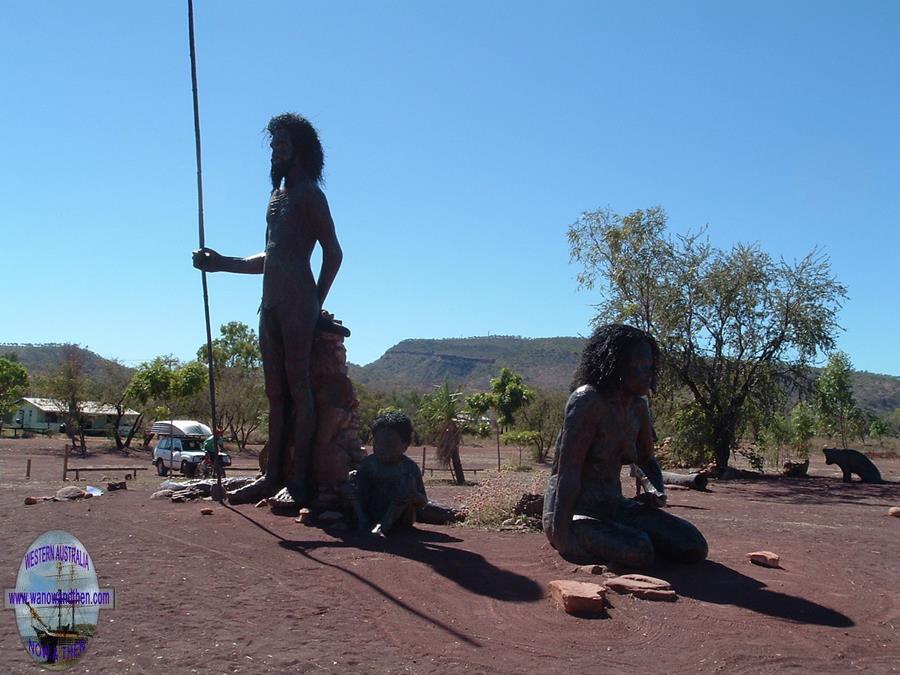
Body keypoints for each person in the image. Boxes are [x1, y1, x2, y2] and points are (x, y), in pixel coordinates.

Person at [192, 113, 343, 505]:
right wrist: (221, 262)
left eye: (283, 145)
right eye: (273, 146)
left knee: (299, 388)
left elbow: (333, 254)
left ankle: (298, 483)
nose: (276, 152)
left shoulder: (311, 195)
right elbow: (271, 257)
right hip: (271, 303)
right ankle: (272, 475)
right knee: (275, 393)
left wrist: (315, 304)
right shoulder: (276, 197)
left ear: (300, 150)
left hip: (297, 303)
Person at [542, 324, 708, 569]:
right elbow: (568, 473)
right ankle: (604, 538)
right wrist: (562, 534)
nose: (648, 374)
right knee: (639, 549)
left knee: (692, 544)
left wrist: (655, 491)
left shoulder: (638, 407)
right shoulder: (587, 401)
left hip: (614, 506)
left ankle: (622, 537)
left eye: (650, 367)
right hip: (573, 510)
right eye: (639, 365)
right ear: (616, 364)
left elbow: (647, 461)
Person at [353, 412, 428, 537]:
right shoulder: (368, 464)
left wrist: (412, 496)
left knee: (405, 484)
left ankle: (384, 525)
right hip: (371, 511)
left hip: (400, 519)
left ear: (405, 445)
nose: (383, 450)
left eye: (390, 445)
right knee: (354, 480)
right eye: (378, 444)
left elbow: (423, 502)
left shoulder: (409, 468)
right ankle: (363, 521)